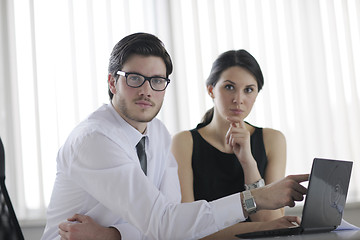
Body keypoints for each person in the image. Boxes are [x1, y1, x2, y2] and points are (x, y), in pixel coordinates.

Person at [42, 32, 308, 240]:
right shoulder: (94, 140)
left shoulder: (157, 133)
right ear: (113, 82)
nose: (147, 90)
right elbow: (166, 225)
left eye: (157, 81)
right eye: (135, 78)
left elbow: (173, 225)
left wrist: (112, 235)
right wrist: (257, 198)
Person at [171, 49, 288, 239]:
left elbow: (271, 224)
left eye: (248, 90)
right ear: (211, 90)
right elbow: (188, 228)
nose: (238, 99)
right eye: (229, 87)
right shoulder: (184, 142)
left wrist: (248, 163)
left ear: (257, 95)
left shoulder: (272, 140)